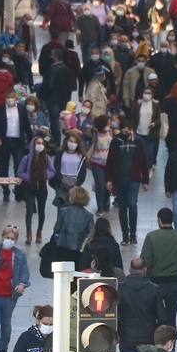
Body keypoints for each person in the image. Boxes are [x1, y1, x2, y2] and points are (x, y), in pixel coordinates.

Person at [104, 112, 151, 245]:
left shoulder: (139, 142)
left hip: (133, 179)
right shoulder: (115, 142)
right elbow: (110, 162)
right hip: (119, 179)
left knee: (132, 204)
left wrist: (145, 181)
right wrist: (109, 179)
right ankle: (125, 235)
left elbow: (144, 162)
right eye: (122, 131)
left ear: (130, 130)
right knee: (123, 207)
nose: (123, 134)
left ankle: (133, 234)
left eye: (126, 131)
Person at [0, 89, 32, 201]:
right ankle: (5, 192)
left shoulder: (22, 109)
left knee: (19, 167)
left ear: (16, 97)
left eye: (12, 97)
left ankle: (18, 191)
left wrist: (31, 141)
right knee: (4, 168)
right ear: (5, 97)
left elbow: (26, 126)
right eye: (8, 97)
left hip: (17, 142)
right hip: (4, 142)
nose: (10, 99)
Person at [17, 137, 55, 243]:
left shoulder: (46, 158)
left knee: (41, 211)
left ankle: (39, 232)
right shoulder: (27, 158)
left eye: (42, 143)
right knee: (29, 211)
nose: (40, 145)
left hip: (42, 187)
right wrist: (30, 178)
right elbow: (20, 172)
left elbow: (52, 171)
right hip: (29, 187)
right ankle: (29, 233)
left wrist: (44, 176)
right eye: (38, 143)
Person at [52, 186, 94, 267]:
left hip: (63, 247)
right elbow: (91, 234)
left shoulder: (64, 211)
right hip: (80, 248)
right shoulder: (89, 216)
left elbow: (56, 229)